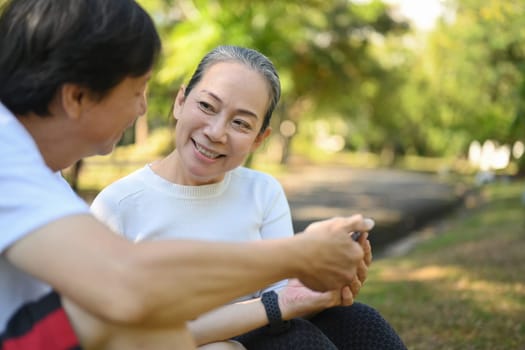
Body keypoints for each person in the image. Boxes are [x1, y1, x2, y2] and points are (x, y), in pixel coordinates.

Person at [0, 1, 376, 349]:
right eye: (137, 89)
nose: (144, 106)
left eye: (241, 122)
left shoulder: (46, 181)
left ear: (260, 136)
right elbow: (125, 285)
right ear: (77, 96)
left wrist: (296, 288)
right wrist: (300, 255)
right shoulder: (8, 157)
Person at [91, 45, 406, 349]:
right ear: (180, 102)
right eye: (207, 106)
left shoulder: (262, 192)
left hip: (255, 335)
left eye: (240, 122)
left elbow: (284, 302)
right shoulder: (118, 205)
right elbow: (113, 336)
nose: (216, 132)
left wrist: (321, 290)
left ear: (259, 139)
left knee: (355, 319)